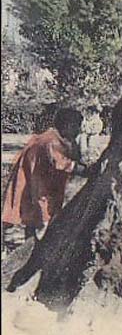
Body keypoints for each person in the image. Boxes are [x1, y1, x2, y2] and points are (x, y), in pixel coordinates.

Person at [1, 108, 87, 256]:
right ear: (67, 125)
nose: (78, 131)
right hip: (35, 189)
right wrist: (87, 170)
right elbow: (61, 163)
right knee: (41, 227)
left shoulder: (49, 138)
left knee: (34, 224)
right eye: (76, 126)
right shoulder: (51, 141)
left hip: (34, 188)